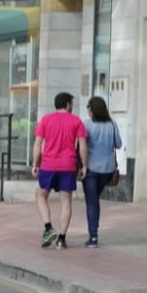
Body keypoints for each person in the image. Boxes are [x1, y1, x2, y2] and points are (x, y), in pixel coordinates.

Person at [32, 92, 88, 249]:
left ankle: (48, 228)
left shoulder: (46, 120)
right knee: (66, 201)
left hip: (48, 165)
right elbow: (83, 145)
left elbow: (37, 144)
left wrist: (35, 163)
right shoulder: (76, 121)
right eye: (72, 103)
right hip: (68, 166)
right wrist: (84, 166)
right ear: (68, 104)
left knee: (41, 196)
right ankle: (62, 239)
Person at [82, 96, 122, 248]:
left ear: (92, 110)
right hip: (107, 169)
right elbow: (118, 144)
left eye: (89, 108)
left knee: (92, 202)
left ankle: (93, 236)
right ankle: (94, 232)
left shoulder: (87, 125)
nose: (88, 111)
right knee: (95, 199)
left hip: (91, 168)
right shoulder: (112, 125)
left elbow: (81, 144)